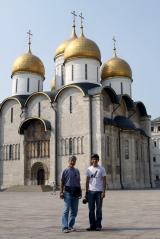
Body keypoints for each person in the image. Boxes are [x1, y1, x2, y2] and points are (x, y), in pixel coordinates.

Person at [60, 155, 81, 233]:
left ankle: (70, 226)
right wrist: (61, 192)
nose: (72, 162)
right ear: (68, 161)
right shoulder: (65, 171)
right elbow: (62, 182)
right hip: (68, 192)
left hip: (76, 192)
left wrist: (80, 192)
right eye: (71, 161)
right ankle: (65, 227)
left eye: (74, 161)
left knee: (74, 211)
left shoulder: (77, 171)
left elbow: (78, 182)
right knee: (66, 209)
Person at [85, 154, 107, 231]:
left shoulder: (102, 169)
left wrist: (103, 192)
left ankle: (98, 225)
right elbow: (87, 181)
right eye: (93, 159)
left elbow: (104, 181)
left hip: (99, 192)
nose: (94, 161)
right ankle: (92, 225)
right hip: (91, 192)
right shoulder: (89, 169)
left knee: (98, 209)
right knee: (91, 209)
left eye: (96, 159)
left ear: (98, 160)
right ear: (91, 160)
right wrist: (86, 192)